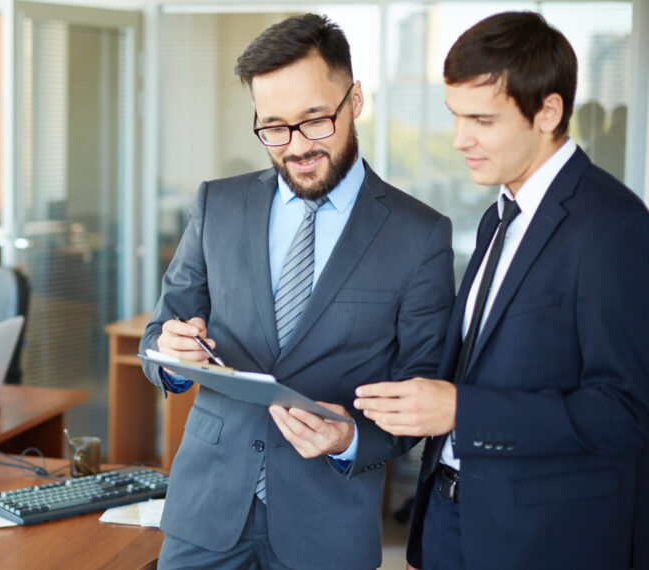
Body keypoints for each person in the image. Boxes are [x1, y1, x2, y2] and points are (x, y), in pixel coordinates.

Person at [139, 14, 455, 569]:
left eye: (315, 121)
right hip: (206, 514)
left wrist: (348, 438)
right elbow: (157, 337)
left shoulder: (420, 235)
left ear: (355, 100)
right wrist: (172, 358)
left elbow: (420, 396)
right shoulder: (218, 204)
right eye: (274, 127)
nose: (297, 147)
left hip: (326, 525)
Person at [353, 12, 649, 570]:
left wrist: (464, 410)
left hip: (542, 541)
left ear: (549, 111)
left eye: (482, 120)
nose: (460, 139)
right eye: (455, 117)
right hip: (451, 522)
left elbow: (625, 410)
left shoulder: (613, 226)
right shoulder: (499, 218)